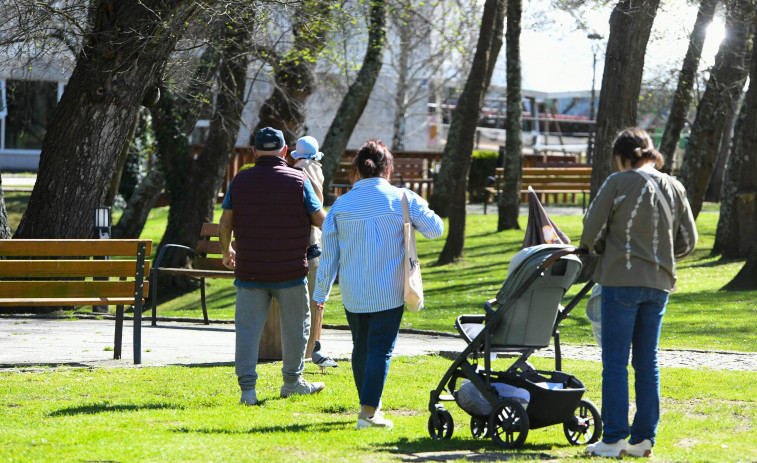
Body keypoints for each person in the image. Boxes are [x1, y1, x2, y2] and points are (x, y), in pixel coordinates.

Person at [581, 128, 698, 458]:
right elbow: (689, 241)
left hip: (621, 280)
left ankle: (615, 437)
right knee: (647, 363)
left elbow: (591, 232)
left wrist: (601, 248)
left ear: (621, 156)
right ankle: (643, 439)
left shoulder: (617, 183)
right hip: (659, 283)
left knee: (615, 362)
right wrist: (660, 258)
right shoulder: (674, 186)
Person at [313, 140, 444, 430]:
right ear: (388, 168)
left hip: (353, 291)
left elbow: (329, 255)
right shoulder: (401, 198)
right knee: (380, 350)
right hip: (389, 290)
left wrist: (320, 293)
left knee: (361, 347)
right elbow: (436, 229)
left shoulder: (340, 205)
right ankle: (368, 415)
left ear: (356, 170)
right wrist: (415, 204)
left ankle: (369, 408)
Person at [219, 127, 327, 406]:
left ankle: (247, 391)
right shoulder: (298, 179)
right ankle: (292, 382)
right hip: (289, 271)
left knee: (247, 329)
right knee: (296, 327)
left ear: (254, 152)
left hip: (250, 270)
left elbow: (225, 222)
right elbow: (319, 219)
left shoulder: (240, 181)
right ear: (283, 152)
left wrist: (226, 250)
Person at [291, 136, 336, 370]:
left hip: (296, 246)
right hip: (312, 244)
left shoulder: (295, 171)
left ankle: (304, 351)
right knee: (315, 301)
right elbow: (318, 211)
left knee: (299, 306)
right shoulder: (315, 171)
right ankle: (313, 349)